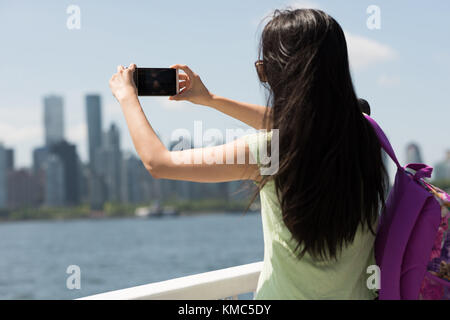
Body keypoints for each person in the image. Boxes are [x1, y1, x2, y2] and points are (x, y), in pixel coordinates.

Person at [109, 8, 388, 299]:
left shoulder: (271, 152)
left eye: (264, 70)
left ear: (284, 73)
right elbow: (301, 122)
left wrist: (127, 97)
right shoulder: (366, 135)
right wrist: (211, 100)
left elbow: (159, 163)